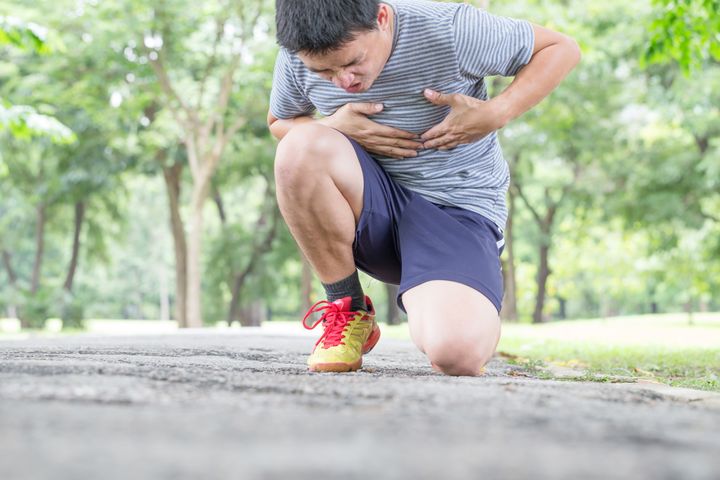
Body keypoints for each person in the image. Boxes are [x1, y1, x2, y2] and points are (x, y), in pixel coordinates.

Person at [267, 0, 580, 375]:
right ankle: (347, 307)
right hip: (369, 207)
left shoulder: (451, 29)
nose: (343, 82)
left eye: (352, 63)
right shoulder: (295, 54)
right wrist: (334, 124)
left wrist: (497, 111)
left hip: (454, 212)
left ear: (381, 18)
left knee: (456, 355)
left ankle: (460, 296)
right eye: (324, 71)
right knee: (297, 149)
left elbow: (561, 48)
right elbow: (280, 122)